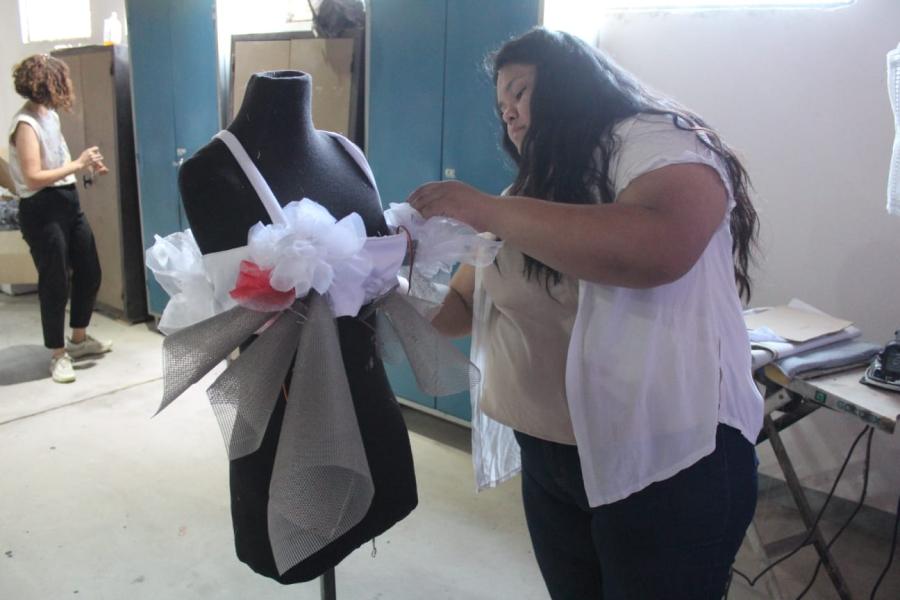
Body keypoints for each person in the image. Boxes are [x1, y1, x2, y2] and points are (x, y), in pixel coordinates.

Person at [410, 28, 763, 599]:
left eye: (521, 94)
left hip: (668, 458)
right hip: (550, 457)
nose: (511, 117)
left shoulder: (654, 141)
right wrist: (377, 294)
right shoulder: (524, 195)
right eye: (502, 108)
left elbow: (661, 245)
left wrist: (484, 209)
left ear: (574, 84)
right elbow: (462, 308)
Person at [176, 70, 417, 583]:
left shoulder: (348, 155)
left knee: (382, 502)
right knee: (305, 544)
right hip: (289, 434)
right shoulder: (210, 173)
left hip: (373, 412)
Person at [8, 54, 112, 384]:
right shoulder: (25, 123)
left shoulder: (49, 115)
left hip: (67, 201)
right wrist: (78, 164)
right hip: (41, 207)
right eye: (61, 80)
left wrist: (86, 162)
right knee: (54, 281)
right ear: (48, 83)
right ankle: (57, 354)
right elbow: (34, 176)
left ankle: (78, 341)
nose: (67, 86)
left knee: (90, 269)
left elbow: (58, 161)